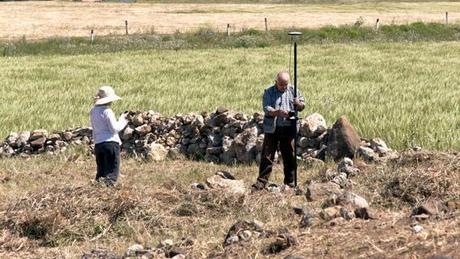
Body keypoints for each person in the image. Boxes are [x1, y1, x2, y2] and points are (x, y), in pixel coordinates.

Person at [252, 71, 305, 190]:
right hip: (273, 128)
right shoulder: (269, 92)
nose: (284, 87)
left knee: (289, 155)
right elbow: (266, 108)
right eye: (281, 84)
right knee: (268, 154)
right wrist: (277, 112)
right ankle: (261, 182)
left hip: (288, 128)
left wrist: (298, 104)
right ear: (276, 81)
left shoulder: (293, 90)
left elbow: (302, 105)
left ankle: (290, 181)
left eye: (285, 84)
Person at [90, 86, 128, 186]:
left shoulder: (93, 111)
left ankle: (98, 189)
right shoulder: (107, 111)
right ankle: (108, 192)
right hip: (110, 143)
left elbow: (94, 128)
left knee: (101, 172)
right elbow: (114, 129)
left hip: (98, 144)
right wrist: (123, 120)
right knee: (111, 172)